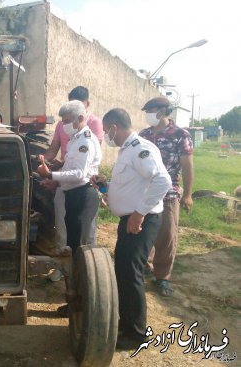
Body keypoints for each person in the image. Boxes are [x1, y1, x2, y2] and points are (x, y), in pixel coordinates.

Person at [91, 108, 171, 350]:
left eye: (106, 131)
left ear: (114, 127)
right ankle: (127, 325)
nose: (106, 135)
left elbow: (162, 181)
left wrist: (139, 213)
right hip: (130, 221)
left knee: (130, 274)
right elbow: (132, 185)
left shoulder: (139, 148)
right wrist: (106, 187)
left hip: (140, 222)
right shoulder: (127, 150)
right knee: (124, 272)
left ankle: (135, 334)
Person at [37, 100, 102, 315]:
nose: (63, 125)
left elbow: (80, 175)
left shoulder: (86, 142)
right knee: (74, 248)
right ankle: (77, 300)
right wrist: (56, 181)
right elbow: (70, 169)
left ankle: (85, 303)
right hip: (73, 194)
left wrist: (51, 175)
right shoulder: (75, 140)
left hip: (83, 196)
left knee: (81, 252)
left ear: (81, 119)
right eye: (62, 121)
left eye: (67, 121)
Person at [140, 97, 194, 296]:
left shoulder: (180, 135)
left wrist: (187, 194)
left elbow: (187, 166)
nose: (148, 115)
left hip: (168, 194)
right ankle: (145, 264)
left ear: (162, 111)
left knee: (166, 236)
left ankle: (162, 277)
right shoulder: (144, 135)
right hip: (144, 192)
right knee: (143, 231)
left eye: (151, 110)